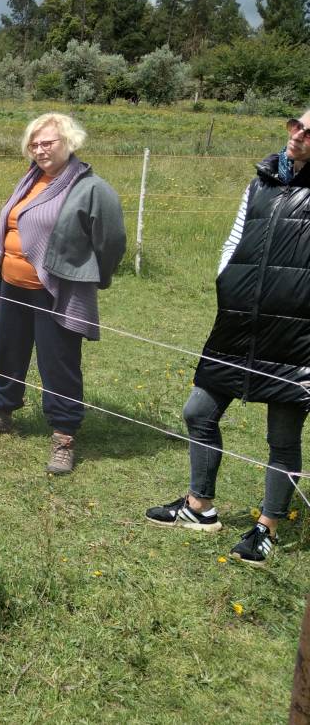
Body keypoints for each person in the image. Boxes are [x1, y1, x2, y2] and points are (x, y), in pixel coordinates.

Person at [144, 109, 310, 566]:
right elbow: (236, 235)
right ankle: (200, 507)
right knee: (198, 409)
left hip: (296, 333)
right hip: (239, 321)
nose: (298, 135)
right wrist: (228, 281)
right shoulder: (261, 179)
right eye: (296, 124)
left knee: (282, 435)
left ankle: (267, 528)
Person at [0, 112, 125, 475]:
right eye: (34, 144)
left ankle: (64, 436)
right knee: (7, 351)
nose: (39, 149)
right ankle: (2, 412)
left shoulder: (89, 188)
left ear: (69, 142)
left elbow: (111, 241)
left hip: (55, 291)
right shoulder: (30, 180)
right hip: (13, 286)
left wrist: (90, 274)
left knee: (59, 363)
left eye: (47, 142)